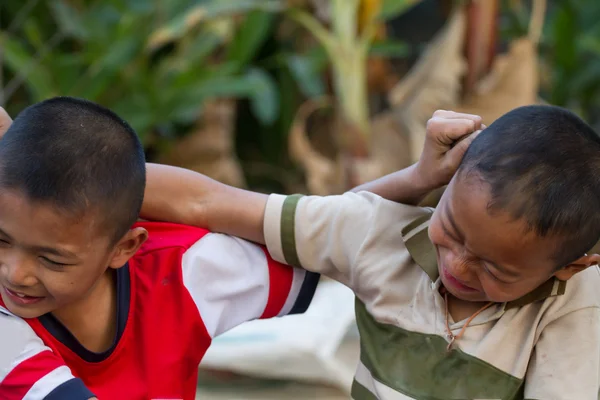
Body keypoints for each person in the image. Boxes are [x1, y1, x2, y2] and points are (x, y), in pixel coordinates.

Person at [140, 106, 600, 399]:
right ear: (450, 179)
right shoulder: (384, 236)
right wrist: (82, 188)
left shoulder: (574, 303)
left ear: (570, 267)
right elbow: (208, 202)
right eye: (453, 228)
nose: (457, 265)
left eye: (495, 268)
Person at [0, 97, 320, 400]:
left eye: (51, 260)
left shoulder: (185, 269)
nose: (15, 274)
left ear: (124, 248)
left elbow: (330, 237)